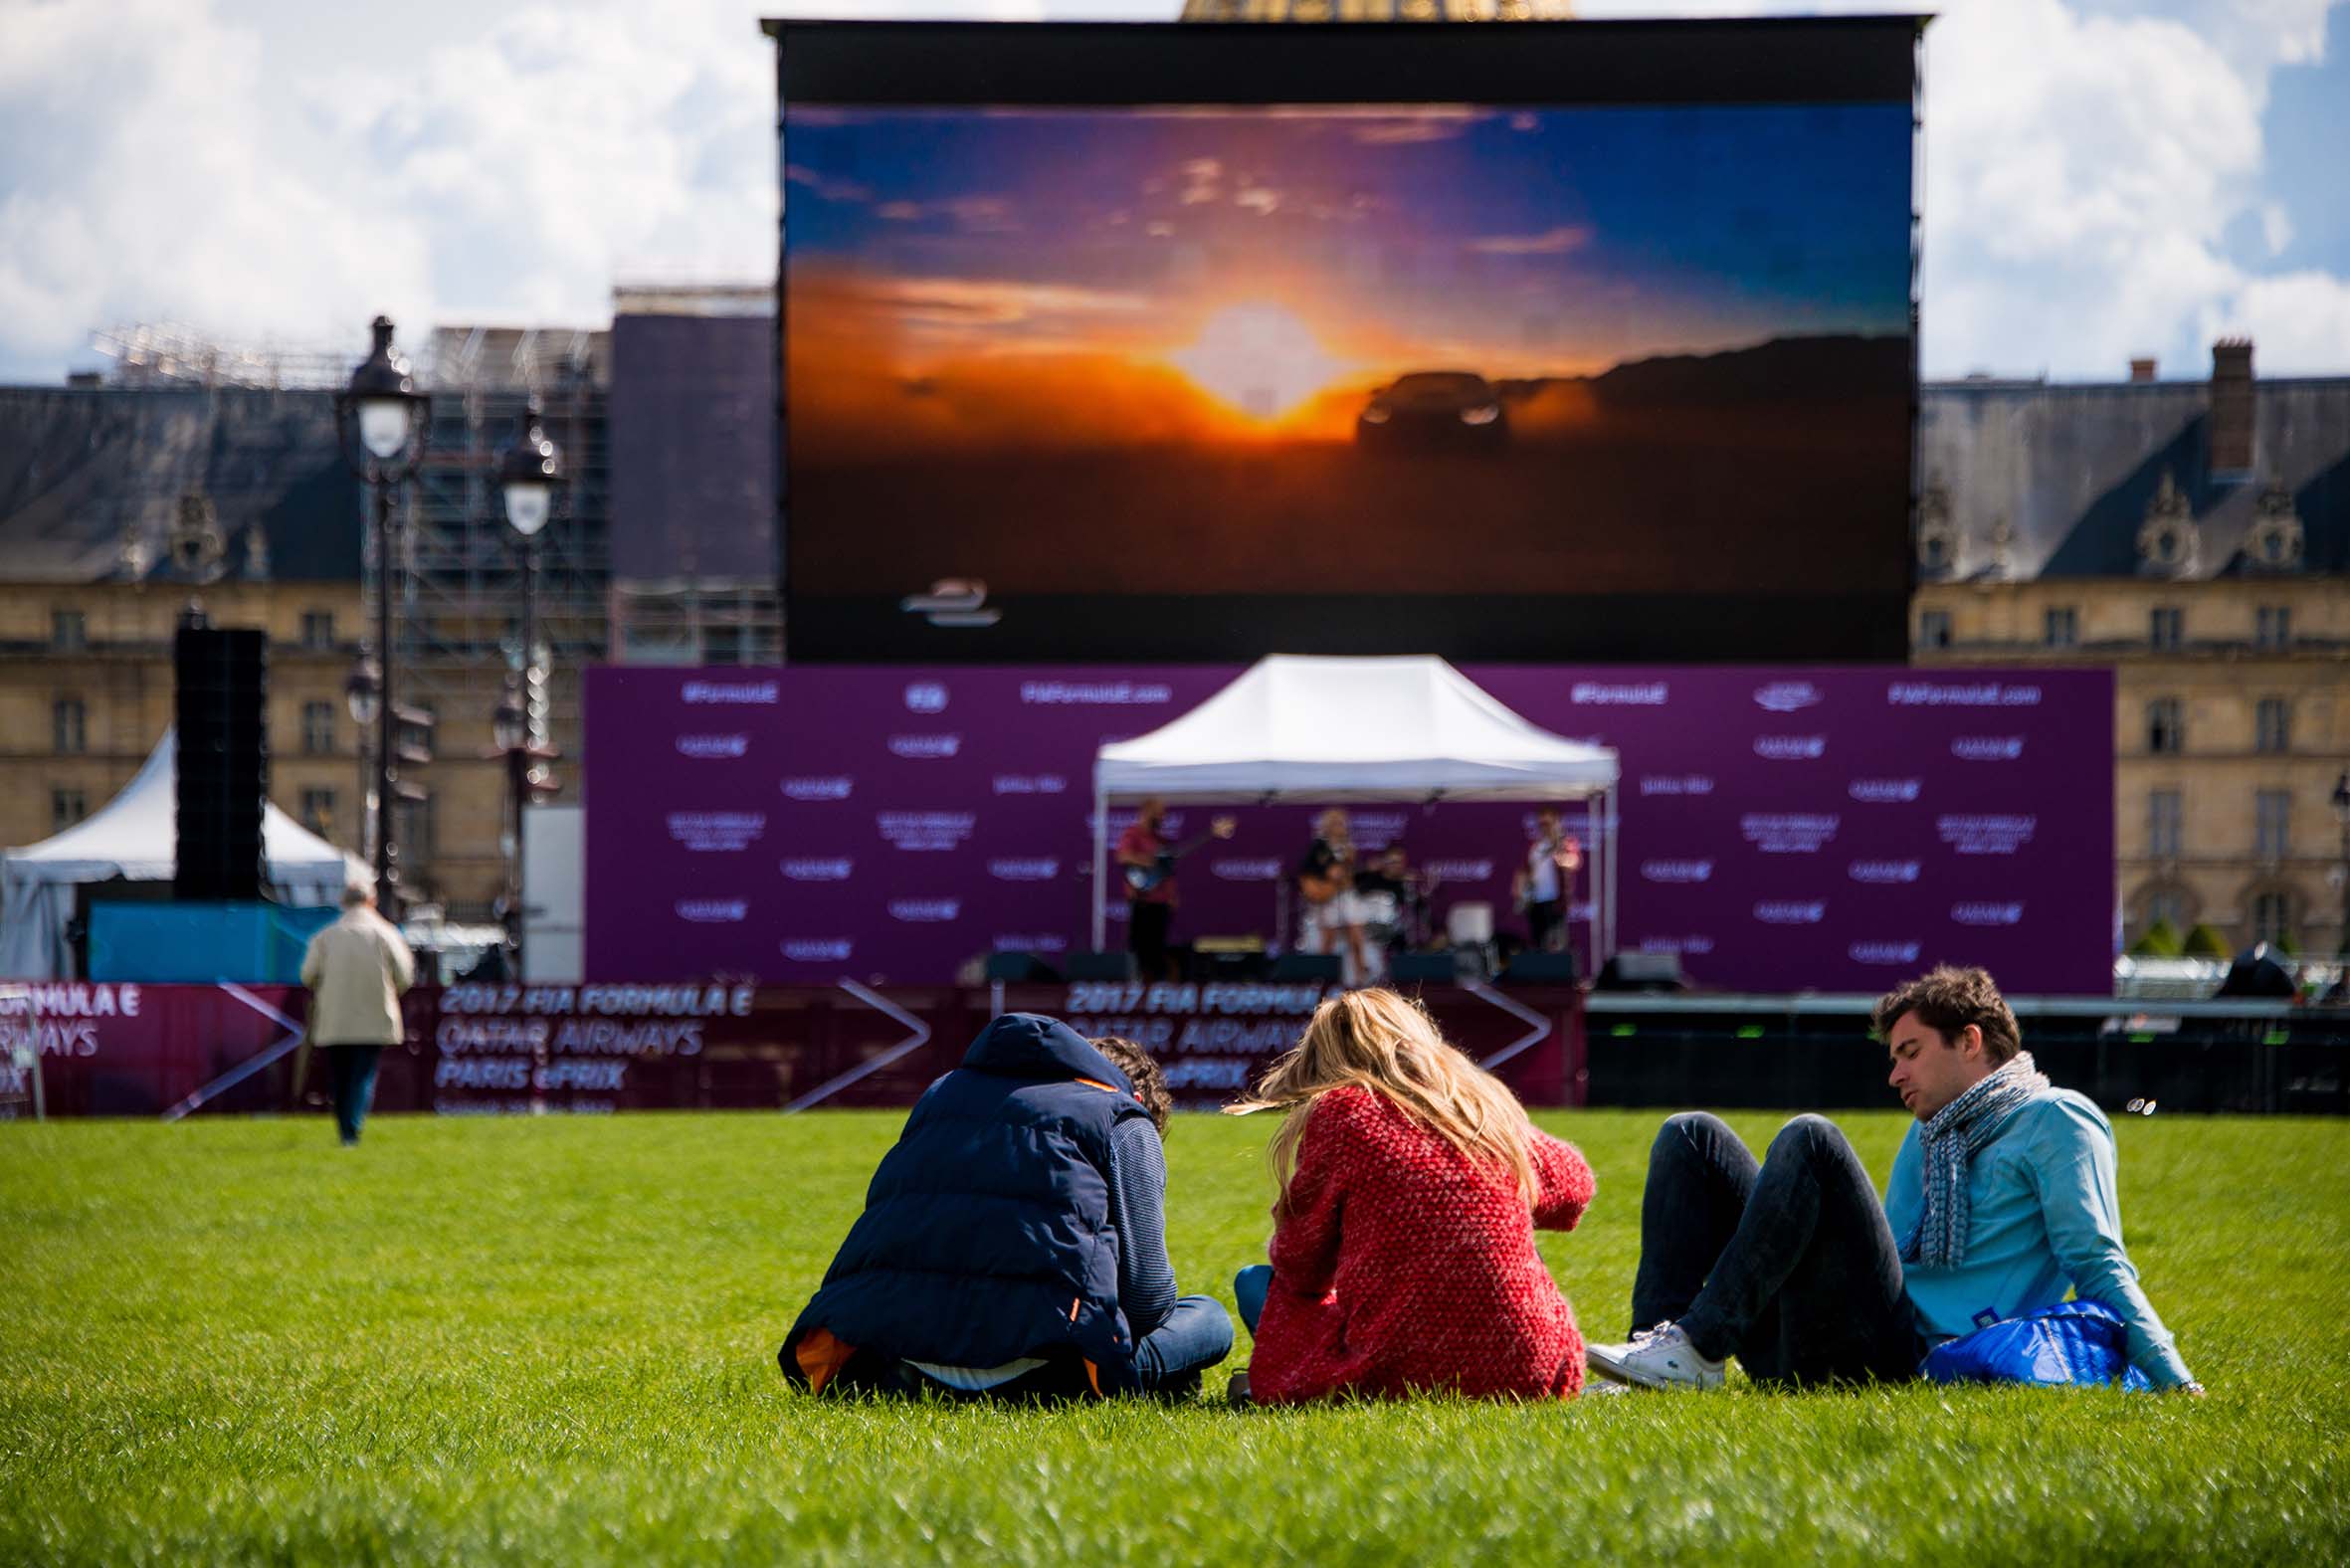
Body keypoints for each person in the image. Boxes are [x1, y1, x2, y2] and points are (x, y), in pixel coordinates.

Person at [1586, 965, 2201, 1394]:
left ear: (1969, 1041)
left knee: (1811, 1137)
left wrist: (2173, 1375)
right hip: (1839, 1341)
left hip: (1917, 1357)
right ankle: (1656, 1363)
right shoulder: (1932, 1129)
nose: (1895, 1074)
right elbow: (1872, 1261)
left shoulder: (2057, 1120)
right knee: (1690, 1134)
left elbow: (2097, 1261)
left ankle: (1699, 1346)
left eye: (1909, 1052)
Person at [781, 1013, 1234, 1401]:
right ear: (1137, 1100)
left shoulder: (942, 1096)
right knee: (1210, 1319)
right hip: (1041, 1373)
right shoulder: (1122, 1118)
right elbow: (1149, 1298)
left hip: (896, 1356)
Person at [1225, 988, 1597, 1404]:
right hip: (1531, 1369)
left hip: (1394, 1369)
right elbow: (1572, 1188)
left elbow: (1300, 1266)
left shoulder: (1343, 1113)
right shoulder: (1475, 1105)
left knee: (1253, 1282)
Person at [298, 875, 416, 1147]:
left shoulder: (326, 936)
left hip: (334, 1017)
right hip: (375, 1015)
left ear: (343, 903)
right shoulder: (387, 934)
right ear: (371, 901)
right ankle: (352, 1128)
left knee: (339, 1074)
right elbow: (405, 975)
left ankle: (345, 1126)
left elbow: (307, 975)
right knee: (362, 1073)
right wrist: (389, 992)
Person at [1295, 809, 1370, 985]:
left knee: (1356, 934)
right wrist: (1326, 878)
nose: (1339, 826)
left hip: (1347, 894)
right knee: (1328, 938)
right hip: (1329, 897)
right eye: (1335, 823)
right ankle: (1323, 978)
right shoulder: (1318, 847)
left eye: (1341, 823)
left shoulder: (1348, 847)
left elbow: (1348, 872)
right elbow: (1309, 871)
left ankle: (1361, 978)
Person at [1115, 798, 1179, 981]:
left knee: (1157, 945)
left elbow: (1167, 872)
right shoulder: (1133, 834)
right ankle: (1137, 981)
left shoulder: (1161, 840)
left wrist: (1172, 894)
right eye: (1158, 813)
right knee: (1139, 944)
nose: (1162, 817)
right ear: (1146, 812)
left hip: (1160, 901)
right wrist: (1147, 860)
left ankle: (1158, 982)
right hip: (1141, 900)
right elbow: (1123, 856)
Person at [1511, 807, 1580, 954]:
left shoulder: (1565, 843)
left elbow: (1573, 861)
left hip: (1554, 901)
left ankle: (1557, 974)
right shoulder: (1535, 846)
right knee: (1538, 942)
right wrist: (1521, 889)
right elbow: (1525, 870)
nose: (1545, 827)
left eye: (1548, 823)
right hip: (1535, 900)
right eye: (1541, 824)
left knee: (1556, 944)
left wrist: (1562, 857)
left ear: (1557, 823)